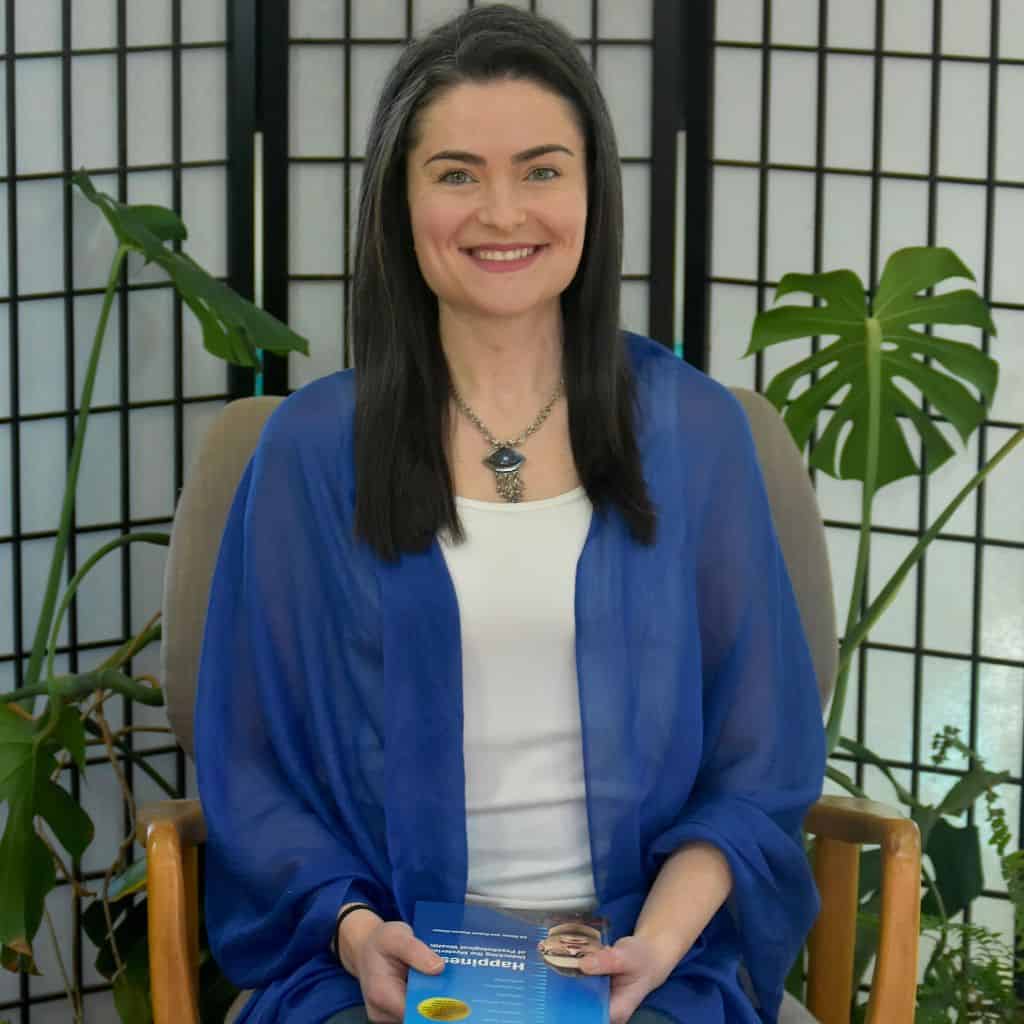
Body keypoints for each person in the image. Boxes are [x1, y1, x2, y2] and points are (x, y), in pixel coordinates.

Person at [193, 6, 826, 1024]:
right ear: (398, 202)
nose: (502, 212)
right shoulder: (312, 453)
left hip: (639, 954)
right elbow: (252, 771)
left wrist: (654, 947)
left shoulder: (697, 436)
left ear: (592, 191)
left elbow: (759, 767)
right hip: (391, 958)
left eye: (540, 170)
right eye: (455, 173)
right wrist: (360, 934)